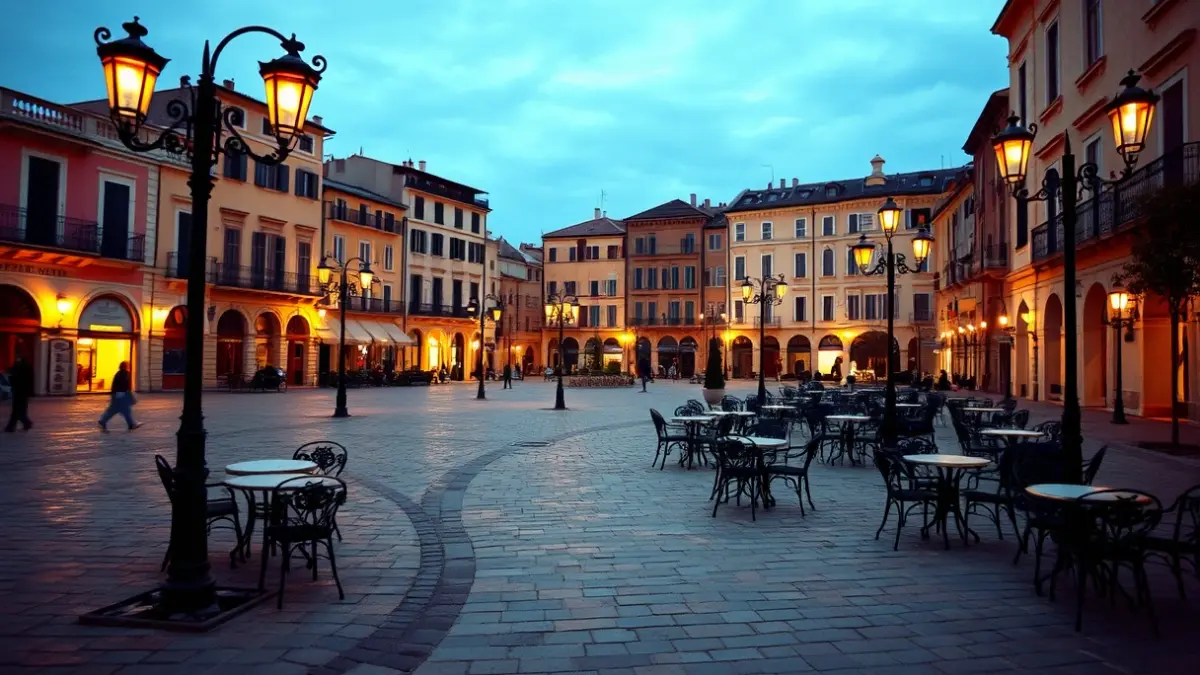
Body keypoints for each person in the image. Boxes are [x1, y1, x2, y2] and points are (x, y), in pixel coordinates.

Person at [99, 361, 140, 431]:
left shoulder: (118, 373)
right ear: (125, 366)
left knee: (115, 409)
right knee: (125, 410)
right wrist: (128, 394)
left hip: (116, 394)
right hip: (121, 394)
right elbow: (125, 385)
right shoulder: (125, 374)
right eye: (128, 365)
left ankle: (103, 420)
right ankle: (131, 424)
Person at [4, 356, 34, 432]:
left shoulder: (25, 368)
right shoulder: (18, 368)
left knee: (18, 410)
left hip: (22, 391)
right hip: (18, 391)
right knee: (19, 410)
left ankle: (12, 426)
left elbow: (28, 381)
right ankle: (26, 423)